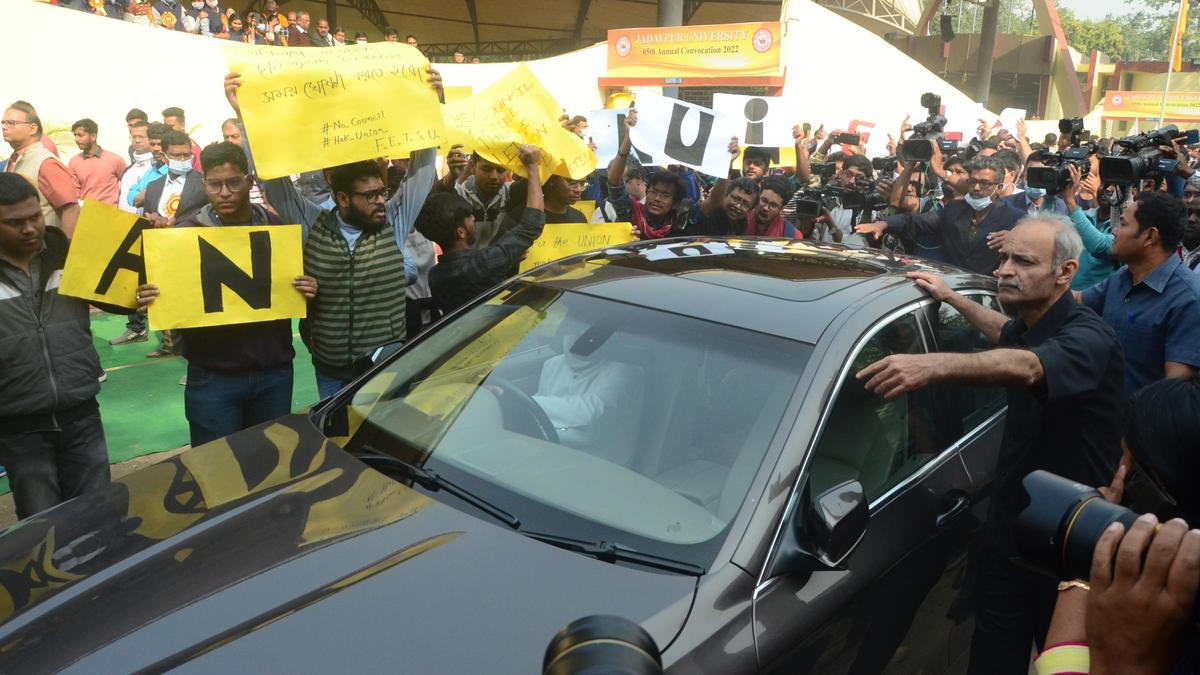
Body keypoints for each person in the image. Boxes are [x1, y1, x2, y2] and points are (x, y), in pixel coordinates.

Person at [856, 214, 1124, 674]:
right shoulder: (1029, 322)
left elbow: (1028, 368)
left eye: (1022, 261)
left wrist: (932, 366)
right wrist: (952, 297)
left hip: (1067, 543)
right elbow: (1004, 333)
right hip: (1009, 527)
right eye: (1003, 257)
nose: (1003, 269)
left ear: (1065, 273)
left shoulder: (1088, 338)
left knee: (1061, 659)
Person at [224, 69, 442, 398]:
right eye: (369, 195)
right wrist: (245, 115)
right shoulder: (312, 223)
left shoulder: (393, 220)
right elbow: (273, 181)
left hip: (384, 363)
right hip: (329, 368)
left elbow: (421, 172)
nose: (381, 200)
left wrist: (431, 105)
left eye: (381, 192)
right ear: (341, 198)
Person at [134, 143, 318, 447]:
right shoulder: (183, 236)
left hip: (273, 371)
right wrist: (149, 295)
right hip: (212, 376)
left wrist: (308, 288)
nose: (224, 192)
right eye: (215, 184)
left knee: (271, 468)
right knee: (217, 475)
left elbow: (298, 285)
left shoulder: (278, 229)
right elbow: (164, 294)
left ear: (248, 181)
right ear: (203, 184)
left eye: (233, 182)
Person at [0, 173, 118, 520]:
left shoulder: (70, 254)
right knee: (41, 524)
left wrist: (140, 293)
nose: (29, 229)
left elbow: (121, 299)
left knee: (97, 515)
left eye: (35, 216)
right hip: (18, 422)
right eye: (14, 223)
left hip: (80, 409)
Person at [1076, 191, 1200, 395]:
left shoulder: (1188, 299)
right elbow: (1078, 300)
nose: (1114, 230)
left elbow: (1172, 392)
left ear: (1150, 236)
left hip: (1139, 422)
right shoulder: (1123, 276)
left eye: (1123, 224)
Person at [418, 145, 545, 315]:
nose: (494, 177)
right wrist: (532, 167)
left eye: (500, 170)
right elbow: (531, 226)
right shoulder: (484, 265)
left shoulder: (435, 275)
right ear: (460, 232)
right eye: (470, 216)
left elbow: (432, 211)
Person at [855, 156, 1023, 275]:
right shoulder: (954, 209)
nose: (977, 188)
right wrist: (883, 224)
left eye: (985, 183)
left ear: (999, 187)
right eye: (973, 182)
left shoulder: (1015, 217)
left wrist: (1016, 238)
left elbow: (1039, 246)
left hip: (987, 293)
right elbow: (915, 221)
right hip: (951, 288)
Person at [604, 110, 692, 239]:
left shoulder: (681, 224)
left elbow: (712, 204)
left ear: (675, 204)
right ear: (647, 191)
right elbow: (614, 182)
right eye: (654, 192)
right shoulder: (631, 213)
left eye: (665, 195)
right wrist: (628, 138)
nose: (657, 198)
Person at [2, 101, 80, 236]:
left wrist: (63, 249)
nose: (4, 127)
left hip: (42, 251)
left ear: (32, 128)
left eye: (11, 123)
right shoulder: (14, 160)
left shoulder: (46, 163)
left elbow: (71, 209)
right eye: (3, 123)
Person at [439, 146, 513, 248]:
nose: (494, 176)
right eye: (486, 169)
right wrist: (451, 176)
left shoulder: (512, 194)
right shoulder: (459, 194)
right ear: (473, 167)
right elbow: (437, 201)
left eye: (501, 170)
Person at [134, 129, 206, 229]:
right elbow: (147, 220)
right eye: (177, 155)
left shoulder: (203, 183)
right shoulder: (153, 187)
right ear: (163, 157)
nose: (182, 159)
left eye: (186, 155)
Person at [68, 119, 127, 207]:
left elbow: (127, 184)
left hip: (111, 215)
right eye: (75, 135)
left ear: (93, 137)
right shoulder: (74, 162)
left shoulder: (115, 160)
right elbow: (74, 192)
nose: (76, 139)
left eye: (80, 135)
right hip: (87, 214)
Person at [691, 176, 757, 236]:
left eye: (745, 205)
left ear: (750, 210)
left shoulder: (743, 224)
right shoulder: (710, 211)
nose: (738, 206)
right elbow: (714, 200)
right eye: (735, 199)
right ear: (725, 195)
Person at [118, 120, 155, 216]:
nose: (137, 140)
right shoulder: (129, 169)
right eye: (134, 137)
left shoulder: (156, 168)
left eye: (141, 137)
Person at [161, 106, 202, 170]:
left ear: (183, 125)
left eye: (171, 126)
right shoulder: (163, 146)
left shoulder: (194, 150)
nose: (168, 129)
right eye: (165, 126)